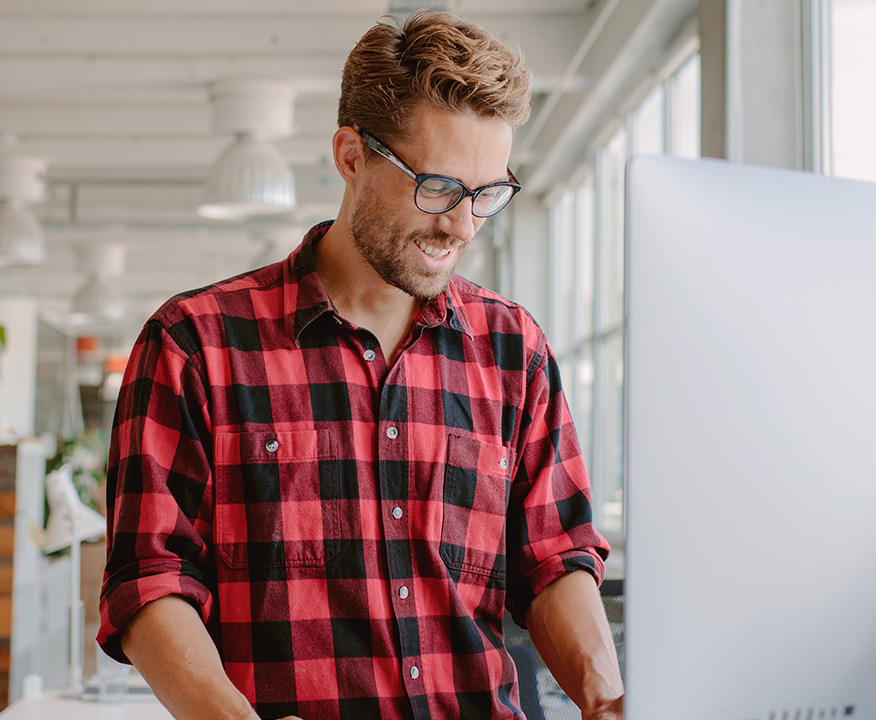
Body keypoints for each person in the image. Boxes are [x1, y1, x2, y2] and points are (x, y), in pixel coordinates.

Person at [97, 10, 622, 720]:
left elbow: (555, 558)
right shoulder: (195, 345)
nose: (463, 224)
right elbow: (149, 581)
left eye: (488, 194)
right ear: (352, 156)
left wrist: (605, 700)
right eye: (437, 188)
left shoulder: (513, 349)